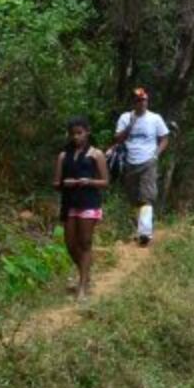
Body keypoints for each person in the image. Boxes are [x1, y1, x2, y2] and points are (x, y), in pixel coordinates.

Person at [54, 116, 108, 300]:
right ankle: (85, 274)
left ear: (87, 132)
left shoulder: (96, 154)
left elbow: (105, 182)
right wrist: (64, 183)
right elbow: (56, 183)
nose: (76, 137)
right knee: (70, 244)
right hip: (70, 203)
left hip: (89, 202)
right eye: (72, 134)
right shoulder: (63, 155)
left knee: (85, 242)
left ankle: (82, 287)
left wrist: (89, 181)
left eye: (79, 133)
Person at [112, 87, 170, 246]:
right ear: (134, 102)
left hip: (148, 161)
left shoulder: (155, 118)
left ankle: (145, 234)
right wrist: (129, 127)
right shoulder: (125, 117)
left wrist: (156, 154)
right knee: (133, 198)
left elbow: (165, 137)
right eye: (138, 100)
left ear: (147, 100)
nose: (142, 103)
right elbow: (117, 138)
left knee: (147, 196)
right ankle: (138, 229)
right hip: (130, 162)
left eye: (144, 99)